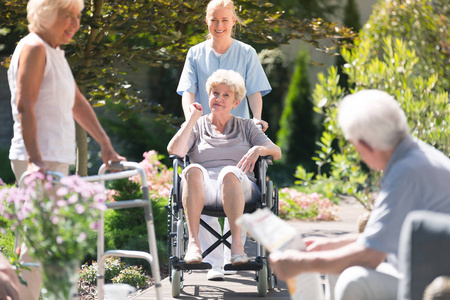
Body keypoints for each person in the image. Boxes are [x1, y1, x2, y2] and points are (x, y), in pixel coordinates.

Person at [269, 89, 450, 300]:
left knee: (353, 279)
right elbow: (385, 235)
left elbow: (371, 256)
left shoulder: (406, 171)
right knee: (338, 266)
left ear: (365, 145)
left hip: (437, 284)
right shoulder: (414, 158)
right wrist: (330, 245)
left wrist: (301, 264)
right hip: (427, 270)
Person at [7, 0, 125, 298]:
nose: (75, 24)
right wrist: (35, 162)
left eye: (78, 17)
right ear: (47, 16)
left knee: (52, 244)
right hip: (38, 160)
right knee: (42, 247)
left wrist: (105, 144)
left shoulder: (55, 51)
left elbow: (76, 101)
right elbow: (24, 104)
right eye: (67, 16)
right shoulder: (34, 48)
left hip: (53, 160)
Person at [176, 0, 272, 280]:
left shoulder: (246, 52)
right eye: (214, 20)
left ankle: (234, 251)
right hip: (204, 132)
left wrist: (256, 118)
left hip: (236, 136)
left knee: (230, 179)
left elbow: (255, 89)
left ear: (233, 21)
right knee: (200, 179)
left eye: (225, 20)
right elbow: (188, 92)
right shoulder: (195, 53)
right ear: (206, 21)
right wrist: (190, 120)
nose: (219, 26)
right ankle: (214, 262)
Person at [168, 69, 281, 271]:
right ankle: (193, 244)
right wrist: (191, 120)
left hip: (241, 186)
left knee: (229, 173)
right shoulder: (197, 126)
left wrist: (258, 148)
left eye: (225, 95)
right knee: (192, 170)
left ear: (236, 103)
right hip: (206, 189)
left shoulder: (246, 126)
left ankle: (237, 246)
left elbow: (276, 151)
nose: (218, 98)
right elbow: (174, 150)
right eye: (215, 93)